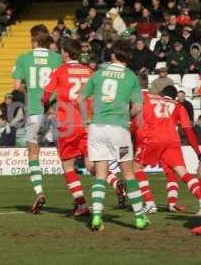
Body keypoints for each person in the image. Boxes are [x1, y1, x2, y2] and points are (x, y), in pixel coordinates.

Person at [42, 38, 127, 216]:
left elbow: (45, 96)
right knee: (91, 164)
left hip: (68, 124)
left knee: (68, 167)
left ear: (66, 53)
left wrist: (46, 108)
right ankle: (114, 182)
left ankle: (81, 204)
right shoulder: (89, 71)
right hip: (89, 124)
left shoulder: (59, 71)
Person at [80, 39, 149, 231]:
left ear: (113, 56)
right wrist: (128, 115)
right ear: (128, 58)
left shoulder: (98, 74)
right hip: (118, 127)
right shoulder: (131, 77)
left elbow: (81, 98)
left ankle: (96, 218)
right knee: (128, 172)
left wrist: (86, 120)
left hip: (97, 127)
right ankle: (140, 218)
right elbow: (137, 108)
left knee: (100, 174)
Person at [12, 24, 62, 214]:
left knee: (33, 153)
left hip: (34, 110)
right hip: (54, 110)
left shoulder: (24, 58)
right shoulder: (57, 58)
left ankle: (39, 193)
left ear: (34, 40)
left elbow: (17, 85)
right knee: (65, 156)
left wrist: (30, 92)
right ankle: (79, 198)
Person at [133, 85, 201, 221]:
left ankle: (150, 203)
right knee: (182, 172)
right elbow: (188, 130)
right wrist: (198, 152)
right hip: (172, 138)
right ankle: (189, 200)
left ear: (161, 93)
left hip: (153, 136)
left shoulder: (147, 97)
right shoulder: (179, 105)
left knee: (136, 167)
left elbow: (137, 120)